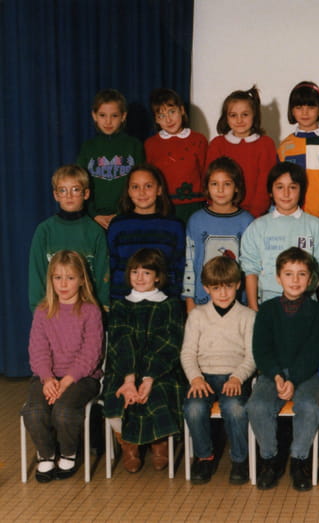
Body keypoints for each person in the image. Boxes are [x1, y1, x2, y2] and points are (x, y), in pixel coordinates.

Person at [246, 247, 319, 492]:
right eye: (288, 274)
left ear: (311, 278)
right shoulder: (267, 310)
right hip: (273, 374)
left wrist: (294, 378)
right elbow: (261, 349)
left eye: (301, 274)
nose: (295, 280)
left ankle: (299, 461)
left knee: (309, 406)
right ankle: (270, 460)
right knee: (257, 406)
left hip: (307, 374)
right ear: (278, 277)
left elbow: (314, 351)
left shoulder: (317, 312)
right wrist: (277, 375)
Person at [21, 251, 103, 482]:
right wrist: (47, 379)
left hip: (82, 378)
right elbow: (38, 351)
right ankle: (46, 454)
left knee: (64, 411)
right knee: (34, 411)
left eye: (70, 278)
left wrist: (66, 381)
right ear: (51, 280)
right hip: (47, 377)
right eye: (58, 278)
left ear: (82, 280)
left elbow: (91, 353)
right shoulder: (42, 311)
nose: (63, 284)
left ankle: (68, 452)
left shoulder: (90, 311)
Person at [102, 248, 185, 473]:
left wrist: (148, 378)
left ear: (157, 276)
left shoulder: (170, 305)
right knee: (115, 396)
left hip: (160, 369)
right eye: (134, 272)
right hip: (124, 369)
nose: (139, 278)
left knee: (158, 393)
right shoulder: (120, 306)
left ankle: (159, 442)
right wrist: (129, 379)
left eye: (146, 273)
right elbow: (121, 341)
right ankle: (128, 444)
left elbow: (168, 343)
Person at [181, 256, 256, 485]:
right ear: (206, 288)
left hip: (234, 376)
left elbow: (252, 356)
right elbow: (187, 353)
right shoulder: (197, 315)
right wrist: (195, 378)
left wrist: (237, 378)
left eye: (228, 286)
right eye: (216, 288)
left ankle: (240, 460)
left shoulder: (248, 316)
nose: (223, 293)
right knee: (194, 408)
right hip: (203, 377)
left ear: (238, 285)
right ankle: (204, 457)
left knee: (235, 408)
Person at [239, 162, 319, 310]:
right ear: (270, 191)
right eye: (279, 187)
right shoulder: (257, 227)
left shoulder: (315, 225)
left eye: (292, 187)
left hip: (307, 304)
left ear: (301, 190)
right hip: (268, 303)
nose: (286, 193)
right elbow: (251, 270)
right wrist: (253, 307)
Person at [28, 165, 109, 311]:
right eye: (63, 190)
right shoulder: (44, 231)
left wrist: (103, 311)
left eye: (75, 189)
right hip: (52, 313)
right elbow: (37, 275)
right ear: (55, 195)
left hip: (86, 314)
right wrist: (39, 312)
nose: (69, 196)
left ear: (86, 193)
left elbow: (103, 277)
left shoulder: (95, 232)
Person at [277, 81, 319, 243]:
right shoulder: (285, 147)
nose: (305, 112)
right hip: (292, 217)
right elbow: (277, 185)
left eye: (311, 107)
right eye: (299, 107)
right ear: (292, 110)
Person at [183, 157, 253, 312]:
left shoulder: (247, 221)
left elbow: (251, 267)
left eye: (227, 184)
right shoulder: (196, 220)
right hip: (203, 303)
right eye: (214, 184)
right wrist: (189, 300)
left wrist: (251, 301)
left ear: (236, 187)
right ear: (207, 187)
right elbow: (189, 263)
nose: (220, 190)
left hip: (238, 305)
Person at [107, 164, 185, 300]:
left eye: (148, 186)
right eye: (135, 187)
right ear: (128, 191)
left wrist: (173, 296)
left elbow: (180, 266)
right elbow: (110, 265)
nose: (141, 192)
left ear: (159, 190)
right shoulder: (118, 225)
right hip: (123, 300)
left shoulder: (174, 226)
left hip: (163, 301)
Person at [77, 88, 145, 230]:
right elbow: (80, 183)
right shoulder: (88, 147)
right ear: (94, 116)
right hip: (94, 219)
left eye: (114, 116)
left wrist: (122, 212)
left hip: (127, 215)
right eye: (102, 115)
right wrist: (94, 214)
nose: (108, 121)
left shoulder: (134, 145)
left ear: (123, 116)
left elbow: (140, 183)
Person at [206, 87, 277, 218]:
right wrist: (219, 209)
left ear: (254, 115)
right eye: (233, 115)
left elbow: (265, 181)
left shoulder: (266, 144)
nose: (239, 120)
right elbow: (210, 180)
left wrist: (254, 213)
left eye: (245, 114)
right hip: (222, 210)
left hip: (256, 214)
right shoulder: (217, 144)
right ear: (226, 117)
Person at [145, 88, 208, 223]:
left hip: (195, 204)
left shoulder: (199, 140)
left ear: (182, 110)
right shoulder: (151, 144)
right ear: (156, 120)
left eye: (172, 112)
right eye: (162, 116)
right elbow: (150, 178)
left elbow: (206, 173)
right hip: (164, 206)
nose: (168, 120)